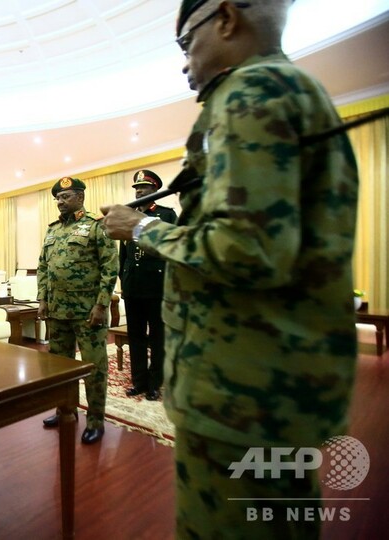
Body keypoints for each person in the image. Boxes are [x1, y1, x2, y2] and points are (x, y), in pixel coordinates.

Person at [99, 1, 359, 537]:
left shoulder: (251, 93)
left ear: (225, 18)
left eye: (185, 43)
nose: (184, 61)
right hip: (270, 383)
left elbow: (247, 249)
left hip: (241, 395)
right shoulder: (289, 90)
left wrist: (140, 227)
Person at [37, 177, 118, 445]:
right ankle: (65, 410)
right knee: (60, 368)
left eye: (66, 197)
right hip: (57, 311)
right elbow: (43, 267)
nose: (60, 202)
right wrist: (42, 299)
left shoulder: (96, 226)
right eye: (57, 198)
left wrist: (102, 304)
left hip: (88, 312)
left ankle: (95, 421)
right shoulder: (52, 230)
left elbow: (110, 267)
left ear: (80, 197)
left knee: (94, 368)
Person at [118, 170, 178, 402]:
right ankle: (139, 382)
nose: (139, 191)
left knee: (157, 338)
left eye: (144, 187)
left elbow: (173, 251)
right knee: (136, 337)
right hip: (133, 287)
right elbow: (123, 255)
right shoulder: (128, 217)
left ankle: (154, 384)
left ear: (155, 190)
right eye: (137, 188)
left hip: (157, 287)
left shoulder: (166, 215)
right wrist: (124, 280)